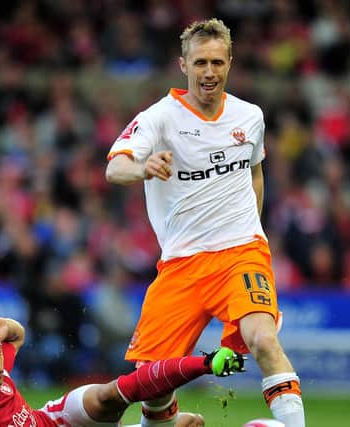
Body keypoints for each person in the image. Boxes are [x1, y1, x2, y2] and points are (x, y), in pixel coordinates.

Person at [105, 18, 305, 427]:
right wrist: (144, 167)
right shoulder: (160, 117)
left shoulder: (250, 117)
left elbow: (255, 171)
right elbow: (115, 168)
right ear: (183, 65)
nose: (209, 72)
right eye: (200, 63)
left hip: (241, 253)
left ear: (230, 62)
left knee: (264, 340)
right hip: (182, 263)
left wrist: (254, 228)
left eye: (217, 62)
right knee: (151, 382)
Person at [0, 316, 246, 427]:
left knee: (107, 395)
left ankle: (207, 363)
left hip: (54, 419)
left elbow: (16, 335)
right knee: (192, 423)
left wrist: (4, 326)